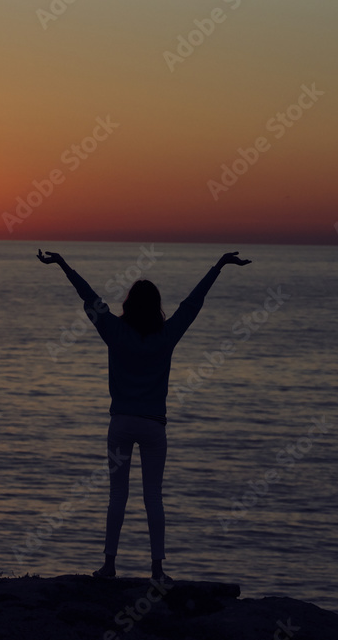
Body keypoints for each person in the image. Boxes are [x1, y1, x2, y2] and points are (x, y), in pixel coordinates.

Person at [37, 249, 251, 583]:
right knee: (153, 496)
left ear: (128, 305)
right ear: (156, 307)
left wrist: (63, 264)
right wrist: (219, 265)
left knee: (117, 497)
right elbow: (193, 304)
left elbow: (88, 295)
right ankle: (157, 570)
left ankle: (109, 565)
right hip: (153, 426)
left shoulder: (114, 331)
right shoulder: (166, 336)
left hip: (121, 423)